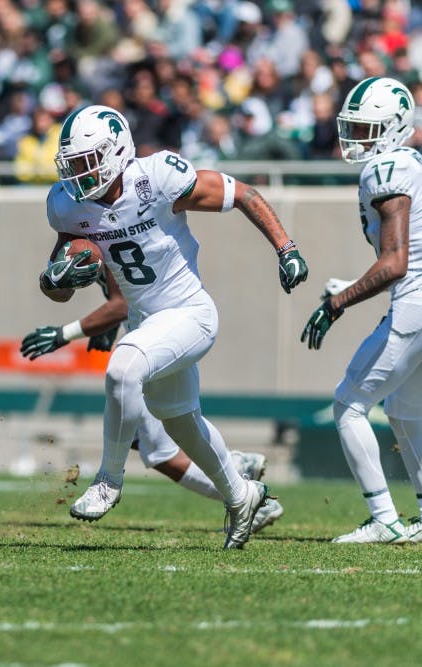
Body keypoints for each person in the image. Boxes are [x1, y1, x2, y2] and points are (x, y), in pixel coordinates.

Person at [38, 105, 308, 548]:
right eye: (73, 165)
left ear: (116, 151)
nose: (80, 175)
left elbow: (243, 194)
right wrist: (54, 279)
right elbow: (59, 286)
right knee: (180, 424)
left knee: (122, 367)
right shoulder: (68, 206)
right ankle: (242, 497)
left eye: (88, 162)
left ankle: (108, 478)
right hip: (147, 322)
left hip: (189, 313)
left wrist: (287, 248)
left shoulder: (157, 176)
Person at [21, 283, 285, 534]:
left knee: (162, 452)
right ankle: (240, 469)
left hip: (152, 347)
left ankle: (251, 494)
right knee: (144, 440)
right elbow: (124, 300)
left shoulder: (103, 238)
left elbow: (121, 304)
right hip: (152, 340)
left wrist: (66, 333)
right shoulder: (94, 242)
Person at [300, 77, 422, 544]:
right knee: (406, 409)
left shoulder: (386, 168)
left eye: (367, 128)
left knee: (350, 403)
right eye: (353, 127)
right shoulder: (408, 161)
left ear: (394, 127)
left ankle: (384, 517)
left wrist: (338, 303)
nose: (357, 139)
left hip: (413, 297)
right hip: (413, 294)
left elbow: (395, 263)